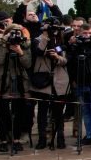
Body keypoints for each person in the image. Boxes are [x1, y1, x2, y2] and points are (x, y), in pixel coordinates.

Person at [0, 22, 32, 152]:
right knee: (2, 113)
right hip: (2, 82)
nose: (15, 35)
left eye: (18, 33)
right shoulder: (0, 44)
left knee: (19, 112)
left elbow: (28, 64)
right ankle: (3, 140)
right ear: (7, 33)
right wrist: (5, 45)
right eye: (12, 33)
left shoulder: (24, 45)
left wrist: (20, 52)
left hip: (19, 81)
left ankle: (16, 139)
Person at [30, 21, 70, 150]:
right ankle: (42, 138)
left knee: (58, 112)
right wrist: (45, 35)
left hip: (59, 80)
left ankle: (60, 137)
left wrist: (57, 57)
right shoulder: (37, 39)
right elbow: (39, 51)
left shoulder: (61, 42)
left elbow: (65, 60)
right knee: (42, 111)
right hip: (43, 80)